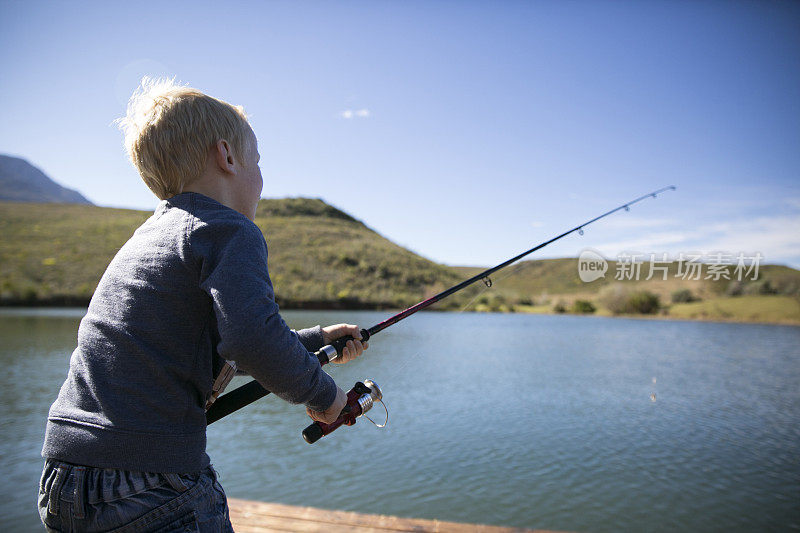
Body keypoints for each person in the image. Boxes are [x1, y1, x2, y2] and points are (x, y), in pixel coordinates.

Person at [38, 78, 367, 532]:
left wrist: (316, 340)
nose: (262, 180)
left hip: (66, 475)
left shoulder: (148, 238)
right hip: (150, 481)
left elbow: (224, 339)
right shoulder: (229, 230)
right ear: (227, 156)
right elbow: (251, 338)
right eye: (258, 161)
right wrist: (326, 396)